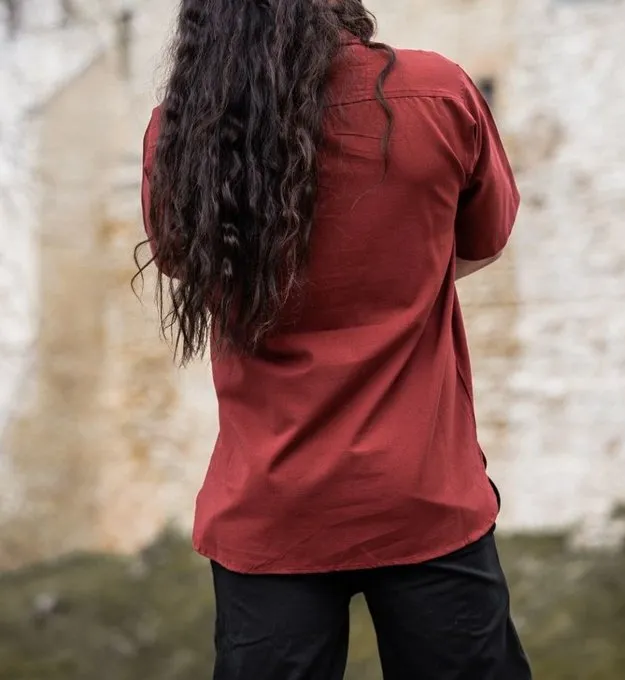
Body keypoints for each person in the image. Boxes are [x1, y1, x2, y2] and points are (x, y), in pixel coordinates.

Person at [136, 1, 531, 678]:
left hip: (269, 508)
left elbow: (187, 262)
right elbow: (483, 240)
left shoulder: (184, 134)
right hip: (424, 493)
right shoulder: (437, 94)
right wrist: (403, 273)